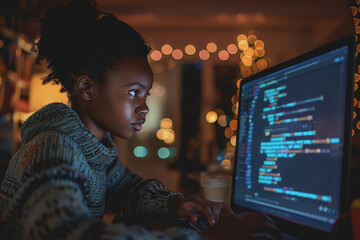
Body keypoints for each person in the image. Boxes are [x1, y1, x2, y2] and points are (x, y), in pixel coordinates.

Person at [0, 0, 282, 239]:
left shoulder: (94, 150)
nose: (144, 107)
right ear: (86, 88)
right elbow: (63, 231)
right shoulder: (54, 148)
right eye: (134, 92)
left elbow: (129, 189)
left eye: (145, 95)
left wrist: (177, 203)